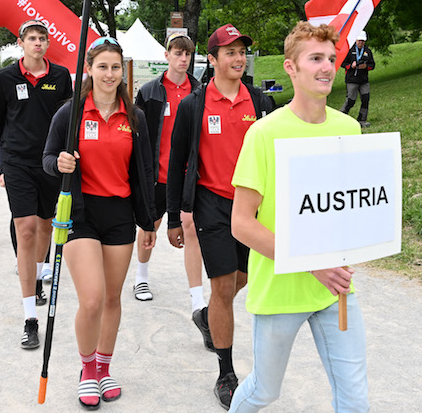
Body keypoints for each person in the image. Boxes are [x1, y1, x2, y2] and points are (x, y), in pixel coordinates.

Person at [228, 21, 370, 413]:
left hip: (334, 288)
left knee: (355, 398)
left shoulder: (349, 128)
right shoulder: (263, 133)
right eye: (315, 59)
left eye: (331, 58)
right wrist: (313, 263)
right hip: (280, 291)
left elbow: (351, 205)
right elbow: (241, 223)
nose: (326, 67)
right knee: (263, 391)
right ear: (291, 68)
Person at [43, 36, 156, 408]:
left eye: (115, 67)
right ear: (89, 70)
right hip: (81, 214)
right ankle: (87, 369)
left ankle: (104, 368)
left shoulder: (134, 116)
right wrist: (59, 162)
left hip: (120, 214)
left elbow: (142, 173)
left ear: (123, 71)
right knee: (91, 299)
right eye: (102, 66)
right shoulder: (71, 113)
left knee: (111, 297)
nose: (109, 74)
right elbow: (47, 158)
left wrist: (148, 221)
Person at [166, 23, 275, 409]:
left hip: (253, 208)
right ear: (211, 60)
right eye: (229, 52)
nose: (239, 58)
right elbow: (178, 161)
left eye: (242, 51)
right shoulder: (193, 105)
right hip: (211, 204)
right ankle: (226, 373)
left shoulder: (261, 103)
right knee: (224, 287)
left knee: (240, 280)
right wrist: (174, 217)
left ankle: (207, 315)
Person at [0, 20, 72, 349]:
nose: (38, 43)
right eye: (32, 38)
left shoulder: (60, 76)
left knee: (47, 224)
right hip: (15, 160)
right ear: (21, 42)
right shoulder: (6, 77)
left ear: (47, 44)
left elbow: (69, 120)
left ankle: (37, 274)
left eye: (42, 38)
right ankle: (30, 318)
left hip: (49, 160)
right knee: (26, 227)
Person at [133, 33, 212, 343]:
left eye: (188, 54)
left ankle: (197, 301)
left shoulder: (199, 91)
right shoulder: (151, 91)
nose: (183, 58)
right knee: (149, 227)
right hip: (158, 175)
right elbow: (139, 134)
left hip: (187, 177)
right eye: (178, 53)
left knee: (190, 230)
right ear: (166, 55)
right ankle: (141, 277)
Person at [339, 30, 374, 127]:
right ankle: (341, 118)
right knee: (351, 100)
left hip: (364, 80)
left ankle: (362, 120)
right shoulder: (349, 50)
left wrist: (366, 67)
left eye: (363, 41)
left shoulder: (368, 51)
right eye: (359, 41)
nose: (361, 43)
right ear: (356, 40)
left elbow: (372, 65)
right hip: (352, 80)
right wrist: (351, 66)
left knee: (365, 99)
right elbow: (342, 63)